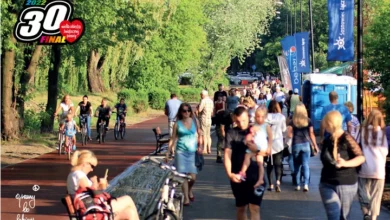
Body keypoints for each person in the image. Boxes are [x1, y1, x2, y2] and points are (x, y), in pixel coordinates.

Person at [66, 150, 139, 220]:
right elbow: (92, 193)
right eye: (92, 166)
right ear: (85, 163)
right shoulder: (79, 175)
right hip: (94, 211)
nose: (92, 170)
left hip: (92, 208)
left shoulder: (73, 174)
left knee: (129, 210)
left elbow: (87, 193)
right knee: (128, 202)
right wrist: (98, 185)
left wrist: (99, 185)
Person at [319, 111, 365, 220]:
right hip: (326, 183)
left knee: (343, 217)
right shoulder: (327, 140)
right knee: (333, 215)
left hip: (346, 183)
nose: (324, 126)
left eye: (325, 123)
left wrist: (345, 163)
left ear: (330, 124)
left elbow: (361, 157)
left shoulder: (347, 139)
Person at [224, 107, 265, 220]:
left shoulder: (256, 130)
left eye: (243, 120)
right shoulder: (231, 133)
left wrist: (257, 150)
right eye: (238, 121)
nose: (241, 124)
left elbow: (267, 151)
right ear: (234, 120)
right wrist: (230, 174)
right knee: (241, 208)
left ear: (248, 117)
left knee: (254, 208)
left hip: (256, 175)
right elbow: (227, 155)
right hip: (238, 176)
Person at [166, 103, 203, 206]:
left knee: (193, 177)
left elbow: (200, 133)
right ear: (181, 112)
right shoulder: (177, 124)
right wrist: (168, 152)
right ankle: (186, 197)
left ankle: (189, 190)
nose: (186, 113)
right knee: (183, 176)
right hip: (180, 152)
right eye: (184, 111)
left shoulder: (194, 121)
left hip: (192, 152)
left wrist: (201, 145)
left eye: (188, 111)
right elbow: (173, 138)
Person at [358, 110, 388, 220]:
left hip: (365, 167)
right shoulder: (383, 133)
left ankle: (366, 213)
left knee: (363, 192)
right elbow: (385, 151)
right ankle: (373, 217)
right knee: (377, 195)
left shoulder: (363, 131)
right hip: (379, 168)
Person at [287, 103, 319, 191]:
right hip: (306, 145)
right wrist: (315, 145)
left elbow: (289, 134)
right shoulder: (308, 121)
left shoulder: (292, 121)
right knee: (306, 165)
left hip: (296, 145)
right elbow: (311, 134)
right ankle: (305, 184)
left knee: (297, 166)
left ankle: (297, 185)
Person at [239, 107, 272, 189]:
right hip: (255, 145)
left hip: (261, 146)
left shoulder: (266, 126)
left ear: (265, 117)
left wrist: (269, 147)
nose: (260, 119)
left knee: (249, 157)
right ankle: (260, 179)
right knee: (259, 163)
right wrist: (249, 138)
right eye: (258, 116)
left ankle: (242, 173)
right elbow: (250, 135)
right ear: (255, 117)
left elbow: (271, 137)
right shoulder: (254, 125)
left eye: (262, 117)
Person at [265, 101, 286, 192]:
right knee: (278, 164)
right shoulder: (281, 117)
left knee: (269, 165)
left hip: (268, 143)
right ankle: (278, 182)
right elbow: (284, 129)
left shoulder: (265, 116)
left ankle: (271, 184)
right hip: (278, 143)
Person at [197, 90, 214, 154]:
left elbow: (200, 110)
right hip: (209, 118)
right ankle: (209, 149)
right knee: (208, 135)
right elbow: (212, 112)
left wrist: (198, 107)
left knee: (203, 135)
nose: (200, 96)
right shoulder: (211, 101)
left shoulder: (203, 101)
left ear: (203, 95)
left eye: (201, 95)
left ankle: (204, 149)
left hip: (203, 118)